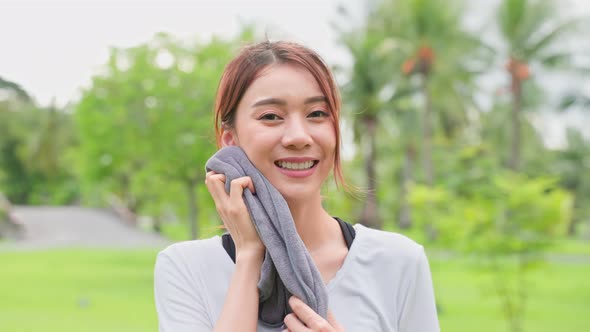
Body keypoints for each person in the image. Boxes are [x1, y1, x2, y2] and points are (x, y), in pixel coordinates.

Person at [154, 40, 440, 332]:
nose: (298, 136)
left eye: (317, 113)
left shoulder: (398, 262)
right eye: (271, 117)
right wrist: (249, 256)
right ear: (230, 140)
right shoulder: (186, 268)